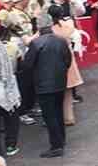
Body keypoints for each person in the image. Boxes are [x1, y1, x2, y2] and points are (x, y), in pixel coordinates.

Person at [20, 21, 71, 158]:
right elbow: (68, 60)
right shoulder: (61, 41)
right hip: (59, 82)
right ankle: (61, 139)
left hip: (44, 85)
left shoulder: (36, 44)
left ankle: (56, 146)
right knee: (58, 112)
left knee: (50, 115)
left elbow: (27, 65)